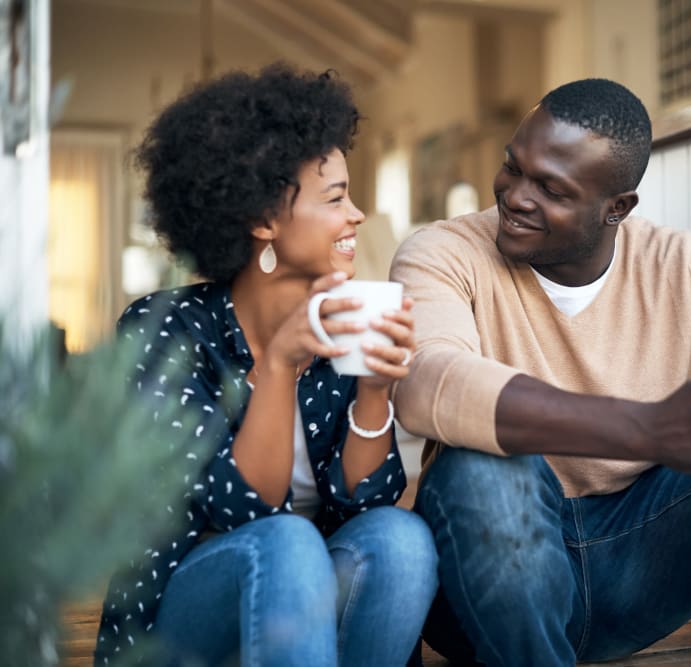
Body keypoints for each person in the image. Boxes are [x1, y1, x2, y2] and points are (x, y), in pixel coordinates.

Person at [389, 78, 691, 666]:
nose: (514, 197)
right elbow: (428, 382)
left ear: (617, 207)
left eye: (551, 188)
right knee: (481, 467)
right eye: (514, 168)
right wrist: (646, 427)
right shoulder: (442, 252)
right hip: (486, 587)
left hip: (639, 568)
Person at [95, 64, 437, 666]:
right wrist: (278, 364)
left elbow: (364, 505)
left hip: (305, 624)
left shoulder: (342, 321)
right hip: (186, 625)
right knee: (284, 543)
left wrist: (375, 390)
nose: (356, 215)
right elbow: (241, 510)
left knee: (402, 540)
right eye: (335, 198)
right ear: (262, 220)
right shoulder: (167, 332)